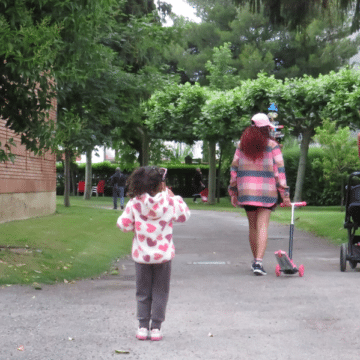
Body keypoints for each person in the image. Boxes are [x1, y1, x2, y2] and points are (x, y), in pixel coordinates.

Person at [116, 166, 190, 341]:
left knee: (142, 292)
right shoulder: (169, 202)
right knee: (160, 292)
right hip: (163, 256)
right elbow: (184, 215)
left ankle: (142, 327)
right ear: (161, 185)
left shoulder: (134, 203)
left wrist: (137, 224)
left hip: (142, 256)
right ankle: (156, 328)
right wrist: (175, 197)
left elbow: (123, 225)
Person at [228, 113, 291, 276]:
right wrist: (285, 194)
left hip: (246, 191)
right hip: (267, 191)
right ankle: (258, 262)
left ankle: (255, 260)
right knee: (263, 226)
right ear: (266, 129)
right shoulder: (272, 145)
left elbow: (234, 169)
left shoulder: (242, 145)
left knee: (253, 226)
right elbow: (280, 171)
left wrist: (233, 191)